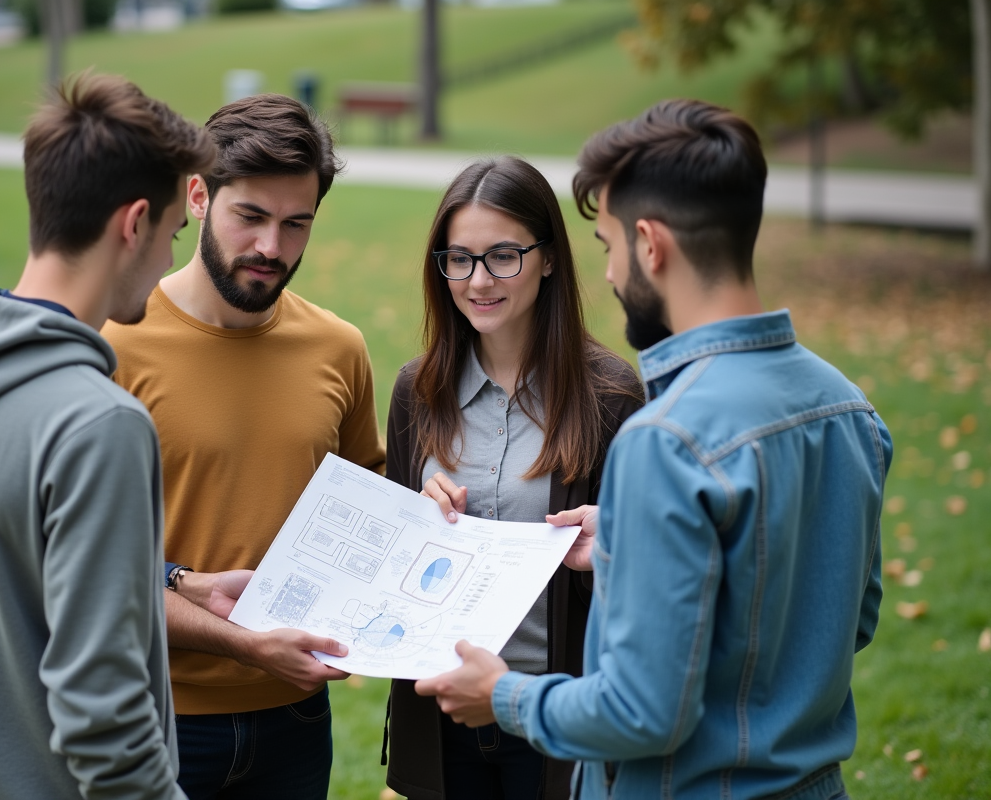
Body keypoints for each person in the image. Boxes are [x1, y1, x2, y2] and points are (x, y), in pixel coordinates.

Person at [414, 99, 891, 800]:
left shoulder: (665, 441)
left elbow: (642, 714)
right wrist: (625, 548)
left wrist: (508, 696)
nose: (607, 273)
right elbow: (850, 617)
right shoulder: (849, 408)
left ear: (650, 244)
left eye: (607, 245)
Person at [0, 73, 216, 799]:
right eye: (173, 238)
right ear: (134, 223)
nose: (167, 267)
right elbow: (105, 716)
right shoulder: (101, 424)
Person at [103, 93, 386, 800]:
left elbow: (371, 515)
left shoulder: (339, 348)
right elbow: (80, 568)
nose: (272, 248)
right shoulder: (113, 347)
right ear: (198, 195)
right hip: (149, 714)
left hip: (295, 719)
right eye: (251, 217)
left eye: (297, 225)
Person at [382, 156, 642, 800]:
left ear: (549, 258)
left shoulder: (611, 397)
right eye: (459, 259)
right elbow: (390, 570)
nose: (478, 281)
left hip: (556, 718)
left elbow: (644, 579)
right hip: (443, 715)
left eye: (503, 255)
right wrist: (413, 519)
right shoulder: (418, 391)